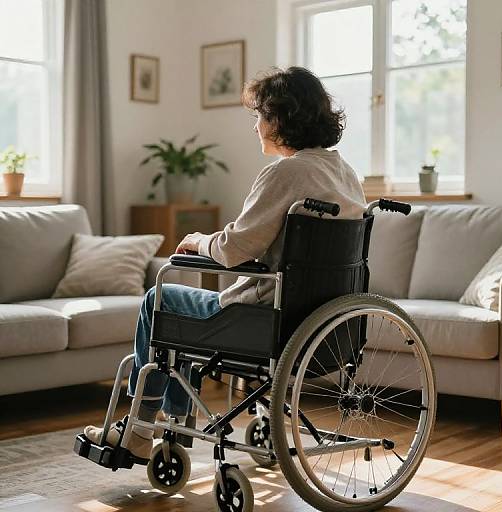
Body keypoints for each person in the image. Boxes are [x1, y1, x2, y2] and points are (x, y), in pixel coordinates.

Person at [84, 66, 366, 459]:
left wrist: (199, 241)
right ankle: (173, 429)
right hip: (320, 323)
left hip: (263, 318)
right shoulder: (345, 173)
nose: (255, 127)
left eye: (259, 116)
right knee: (179, 321)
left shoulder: (285, 172)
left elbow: (236, 249)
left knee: (158, 298)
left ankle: (141, 429)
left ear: (281, 117)